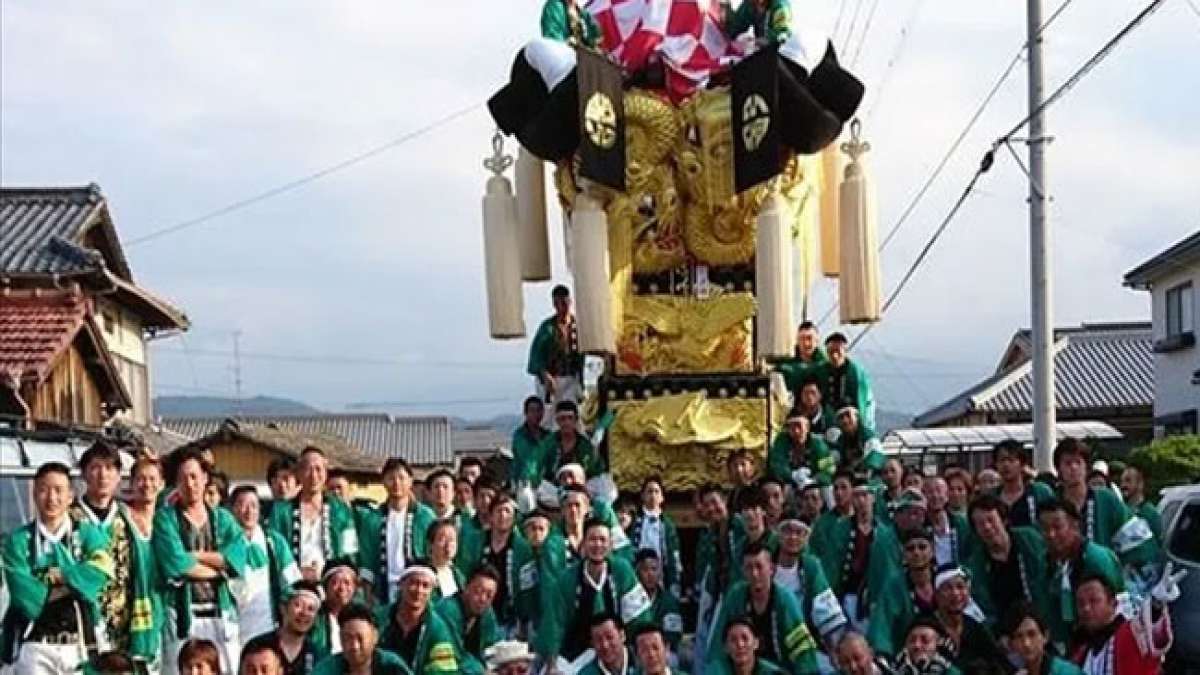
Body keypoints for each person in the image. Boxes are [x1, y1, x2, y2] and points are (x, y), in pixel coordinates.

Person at [2, 462, 113, 675]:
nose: (51, 498)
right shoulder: (18, 541)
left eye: (58, 490)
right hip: (35, 645)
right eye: (44, 490)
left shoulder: (89, 534)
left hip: (80, 644)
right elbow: (23, 594)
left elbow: (100, 573)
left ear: (71, 496)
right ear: (34, 495)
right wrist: (75, 584)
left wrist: (62, 575)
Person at [153, 448, 247, 675]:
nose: (190, 483)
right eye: (183, 478)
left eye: (195, 476)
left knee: (226, 669)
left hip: (220, 612)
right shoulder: (166, 518)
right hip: (183, 613)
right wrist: (218, 571)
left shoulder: (223, 519)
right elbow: (175, 563)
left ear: (205, 479)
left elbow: (235, 559)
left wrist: (195, 556)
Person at [539, 519, 651, 671]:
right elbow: (554, 623)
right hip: (577, 651)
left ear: (611, 545)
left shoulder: (622, 570)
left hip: (616, 647)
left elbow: (639, 617)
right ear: (583, 544)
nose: (598, 545)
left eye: (602, 540)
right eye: (592, 539)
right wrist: (552, 663)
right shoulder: (566, 579)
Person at [707, 541, 819, 674]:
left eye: (759, 567)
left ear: (771, 569)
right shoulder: (735, 597)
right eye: (749, 568)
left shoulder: (785, 601)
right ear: (743, 571)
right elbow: (718, 646)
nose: (754, 574)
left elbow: (802, 650)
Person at [1037, 499, 1125, 647]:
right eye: (1045, 528)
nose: (1051, 534)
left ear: (1074, 526)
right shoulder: (1047, 562)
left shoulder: (1096, 559)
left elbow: (1117, 606)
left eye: (1057, 527)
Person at [266, 448, 360, 585]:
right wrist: (297, 572)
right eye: (308, 469)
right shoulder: (281, 511)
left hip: (332, 584)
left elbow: (350, 551)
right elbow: (274, 550)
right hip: (293, 583)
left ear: (326, 473)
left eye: (318, 469)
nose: (313, 475)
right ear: (298, 473)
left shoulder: (340, 509)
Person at [818, 479, 900, 634]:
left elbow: (890, 571)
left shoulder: (885, 533)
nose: (861, 501)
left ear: (873, 498)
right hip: (847, 594)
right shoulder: (840, 528)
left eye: (865, 495)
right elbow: (831, 565)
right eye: (856, 496)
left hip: (874, 599)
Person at [1069, 566, 1184, 675]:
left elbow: (1146, 629)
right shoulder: (1082, 654)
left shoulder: (1127, 635)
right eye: (1081, 603)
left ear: (1113, 604)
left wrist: (1156, 604)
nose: (1086, 608)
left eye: (1094, 600)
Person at [230, 485, 303, 644]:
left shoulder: (274, 541)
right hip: (232, 625)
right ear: (232, 509)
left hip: (267, 623)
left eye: (254, 505)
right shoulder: (223, 542)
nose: (248, 511)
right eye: (242, 505)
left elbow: (292, 581)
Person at [359, 458, 437, 605]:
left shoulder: (426, 516)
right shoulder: (372, 518)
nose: (396, 483)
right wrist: (368, 594)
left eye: (401, 478)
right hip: (384, 586)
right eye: (391, 478)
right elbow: (367, 558)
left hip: (417, 585)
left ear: (410, 481)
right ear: (383, 482)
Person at [963, 495, 1049, 627]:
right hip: (1004, 629)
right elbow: (983, 606)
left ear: (1003, 520)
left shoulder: (1029, 539)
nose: (987, 527)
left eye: (991, 520)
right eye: (980, 524)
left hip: (1041, 618)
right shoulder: (975, 565)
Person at [774, 516, 846, 647]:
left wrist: (834, 650)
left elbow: (826, 611)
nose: (793, 537)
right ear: (779, 535)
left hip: (804, 641)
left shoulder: (811, 566)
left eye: (799, 533)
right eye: (788, 531)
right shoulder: (765, 564)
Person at [868, 527, 937, 659]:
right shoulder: (893, 586)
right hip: (905, 656)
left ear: (932, 550)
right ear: (903, 553)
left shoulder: (944, 581)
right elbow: (881, 626)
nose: (916, 553)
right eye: (910, 549)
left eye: (922, 547)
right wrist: (883, 656)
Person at [124, 454, 166, 672]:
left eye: (152, 479)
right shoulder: (122, 518)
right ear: (131, 483)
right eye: (140, 479)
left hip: (160, 607)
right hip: (127, 607)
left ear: (161, 484)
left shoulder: (166, 522)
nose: (146, 484)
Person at [378, 562, 460, 673]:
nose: (418, 591)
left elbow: (444, 670)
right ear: (401, 584)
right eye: (413, 583)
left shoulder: (437, 628)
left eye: (425, 586)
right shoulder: (379, 618)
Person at [475, 494, 533, 631]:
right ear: (490, 516)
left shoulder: (523, 547)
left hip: (512, 617)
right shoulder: (477, 541)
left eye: (507, 511)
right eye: (498, 511)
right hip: (481, 612)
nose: (503, 515)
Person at [527, 285, 585, 419]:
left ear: (569, 302)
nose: (562, 308)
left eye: (564, 303)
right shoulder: (547, 328)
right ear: (554, 304)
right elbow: (536, 356)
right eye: (558, 304)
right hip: (551, 380)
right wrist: (545, 374)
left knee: (571, 414)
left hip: (571, 378)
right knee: (548, 417)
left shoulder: (578, 326)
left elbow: (588, 348)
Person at [246, 580, 325, 675]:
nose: (304, 613)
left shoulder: (317, 654)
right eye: (298, 605)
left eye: (310, 609)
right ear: (283, 608)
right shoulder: (257, 646)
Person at [930, 566, 1004, 666]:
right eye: (948, 588)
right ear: (937, 595)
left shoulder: (975, 627)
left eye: (960, 587)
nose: (955, 593)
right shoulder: (925, 627)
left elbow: (998, 661)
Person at [435, 565, 501, 675]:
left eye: (489, 595)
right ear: (465, 587)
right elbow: (453, 654)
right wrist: (481, 671)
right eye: (478, 591)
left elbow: (493, 645)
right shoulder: (446, 610)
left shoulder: (487, 613)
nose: (483, 599)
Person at [311, 604, 408, 675]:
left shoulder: (392, 666)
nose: (354, 646)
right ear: (340, 638)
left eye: (360, 638)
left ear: (375, 638)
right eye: (347, 638)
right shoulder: (327, 669)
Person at [629, 477, 684, 598]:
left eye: (656, 491)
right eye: (649, 491)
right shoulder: (634, 523)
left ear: (662, 497)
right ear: (642, 496)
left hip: (660, 574)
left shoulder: (667, 525)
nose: (653, 495)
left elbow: (674, 554)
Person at [997, 602, 1082, 675]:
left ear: (1045, 636)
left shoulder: (1066, 672)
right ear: (1012, 644)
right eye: (1019, 637)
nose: (1026, 643)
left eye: (1032, 634)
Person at [820, 333, 876, 434]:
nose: (834, 356)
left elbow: (864, 403)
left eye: (838, 351)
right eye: (830, 352)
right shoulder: (822, 371)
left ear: (845, 351)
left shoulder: (856, 373)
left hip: (853, 421)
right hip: (829, 423)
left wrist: (864, 427)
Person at [991, 442, 1054, 530]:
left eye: (1011, 460)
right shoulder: (991, 496)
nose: (1006, 465)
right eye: (1001, 460)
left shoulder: (1039, 492)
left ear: (1022, 464)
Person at [769, 412, 835, 494]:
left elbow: (828, 470)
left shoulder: (818, 443)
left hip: (815, 484)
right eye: (791, 427)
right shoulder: (781, 441)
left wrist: (812, 480)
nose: (796, 431)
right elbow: (776, 464)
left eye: (799, 426)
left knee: (827, 488)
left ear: (807, 427)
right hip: (790, 483)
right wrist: (793, 475)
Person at [634, 550, 684, 657]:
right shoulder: (631, 599)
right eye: (645, 569)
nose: (650, 574)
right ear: (637, 572)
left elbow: (674, 635)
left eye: (654, 569)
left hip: (663, 650)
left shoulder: (669, 601)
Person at [539, 401, 605, 481]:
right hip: (552, 489)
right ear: (557, 421)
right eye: (562, 419)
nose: (567, 423)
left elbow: (595, 471)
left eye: (570, 418)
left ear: (576, 420)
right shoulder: (548, 443)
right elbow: (535, 466)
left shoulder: (586, 446)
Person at [309, 563, 359, 658]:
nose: (341, 588)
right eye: (335, 582)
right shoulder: (313, 617)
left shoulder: (361, 618)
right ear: (325, 588)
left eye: (347, 583)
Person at [711, 617, 789, 675]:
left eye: (745, 638)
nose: (740, 645)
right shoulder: (716, 671)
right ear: (726, 647)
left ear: (756, 643)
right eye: (733, 640)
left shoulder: (775, 674)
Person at [923, 477, 973, 568]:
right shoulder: (920, 525)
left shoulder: (960, 523)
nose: (935, 496)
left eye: (939, 491)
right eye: (930, 492)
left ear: (946, 496)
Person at [511, 397, 550, 508]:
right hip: (525, 483)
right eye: (532, 410)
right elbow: (526, 461)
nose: (536, 414)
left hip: (545, 484)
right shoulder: (520, 435)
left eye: (538, 410)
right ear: (525, 413)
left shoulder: (548, 436)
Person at [776, 322, 829, 397]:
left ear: (817, 340)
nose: (806, 343)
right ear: (797, 341)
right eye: (802, 339)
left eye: (809, 338)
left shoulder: (826, 365)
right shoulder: (786, 363)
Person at [830, 408, 884, 479]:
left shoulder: (869, 437)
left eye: (848, 415)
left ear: (857, 418)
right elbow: (831, 459)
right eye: (841, 417)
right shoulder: (840, 440)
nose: (845, 420)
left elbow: (874, 463)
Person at [893, 617, 959, 675]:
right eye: (912, 640)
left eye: (925, 641)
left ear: (941, 644)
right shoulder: (891, 667)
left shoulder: (952, 673)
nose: (917, 645)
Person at [1119, 466, 1162, 543]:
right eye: (1122, 481)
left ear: (1140, 484)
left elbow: (1157, 544)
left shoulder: (1151, 513)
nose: (1123, 485)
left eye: (1128, 481)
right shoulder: (1121, 511)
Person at [425, 520, 464, 601]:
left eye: (452, 539)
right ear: (430, 544)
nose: (448, 545)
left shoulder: (458, 574)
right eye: (442, 539)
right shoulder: (423, 573)